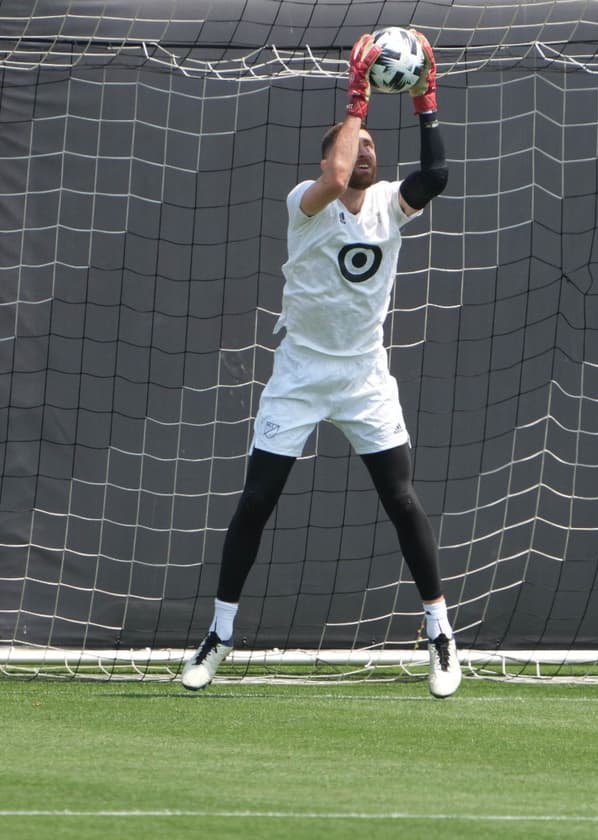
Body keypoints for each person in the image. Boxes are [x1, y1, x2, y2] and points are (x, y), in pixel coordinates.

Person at [182, 31, 461, 698]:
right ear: (328, 158)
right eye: (353, 144)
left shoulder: (391, 207)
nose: (364, 151)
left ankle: (441, 636)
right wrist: (357, 98)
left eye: (370, 146)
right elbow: (335, 175)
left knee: (401, 498)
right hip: (301, 372)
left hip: (364, 374)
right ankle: (219, 635)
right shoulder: (305, 207)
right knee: (257, 499)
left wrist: (425, 102)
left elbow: (439, 178)